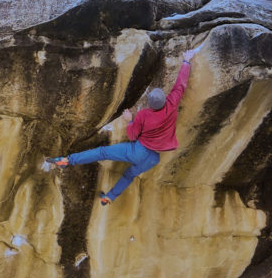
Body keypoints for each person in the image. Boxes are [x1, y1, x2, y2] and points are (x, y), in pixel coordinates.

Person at [49, 49, 196, 205]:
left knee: (102, 152)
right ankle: (109, 197)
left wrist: (129, 120)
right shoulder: (171, 105)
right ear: (164, 101)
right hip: (153, 158)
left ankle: (68, 161)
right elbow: (180, 85)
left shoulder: (144, 115)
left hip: (138, 150)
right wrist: (186, 61)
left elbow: (133, 136)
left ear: (151, 104)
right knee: (129, 175)